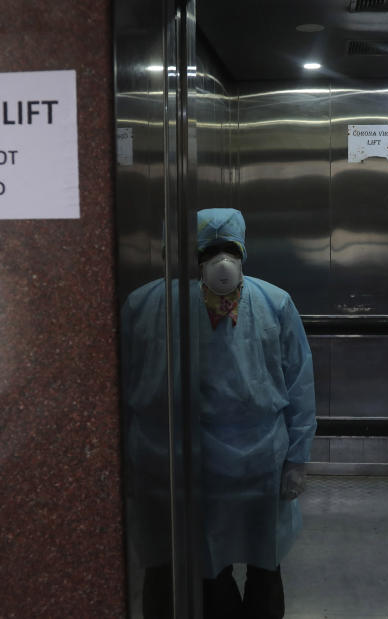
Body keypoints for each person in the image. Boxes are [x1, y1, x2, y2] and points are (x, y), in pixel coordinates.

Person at [122, 208, 317, 619]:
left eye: (229, 250)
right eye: (209, 251)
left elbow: (299, 382)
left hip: (255, 465)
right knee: (186, 569)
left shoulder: (273, 303)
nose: (220, 263)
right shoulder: (145, 305)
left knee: (263, 566)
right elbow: (119, 387)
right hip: (170, 465)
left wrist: (298, 457)